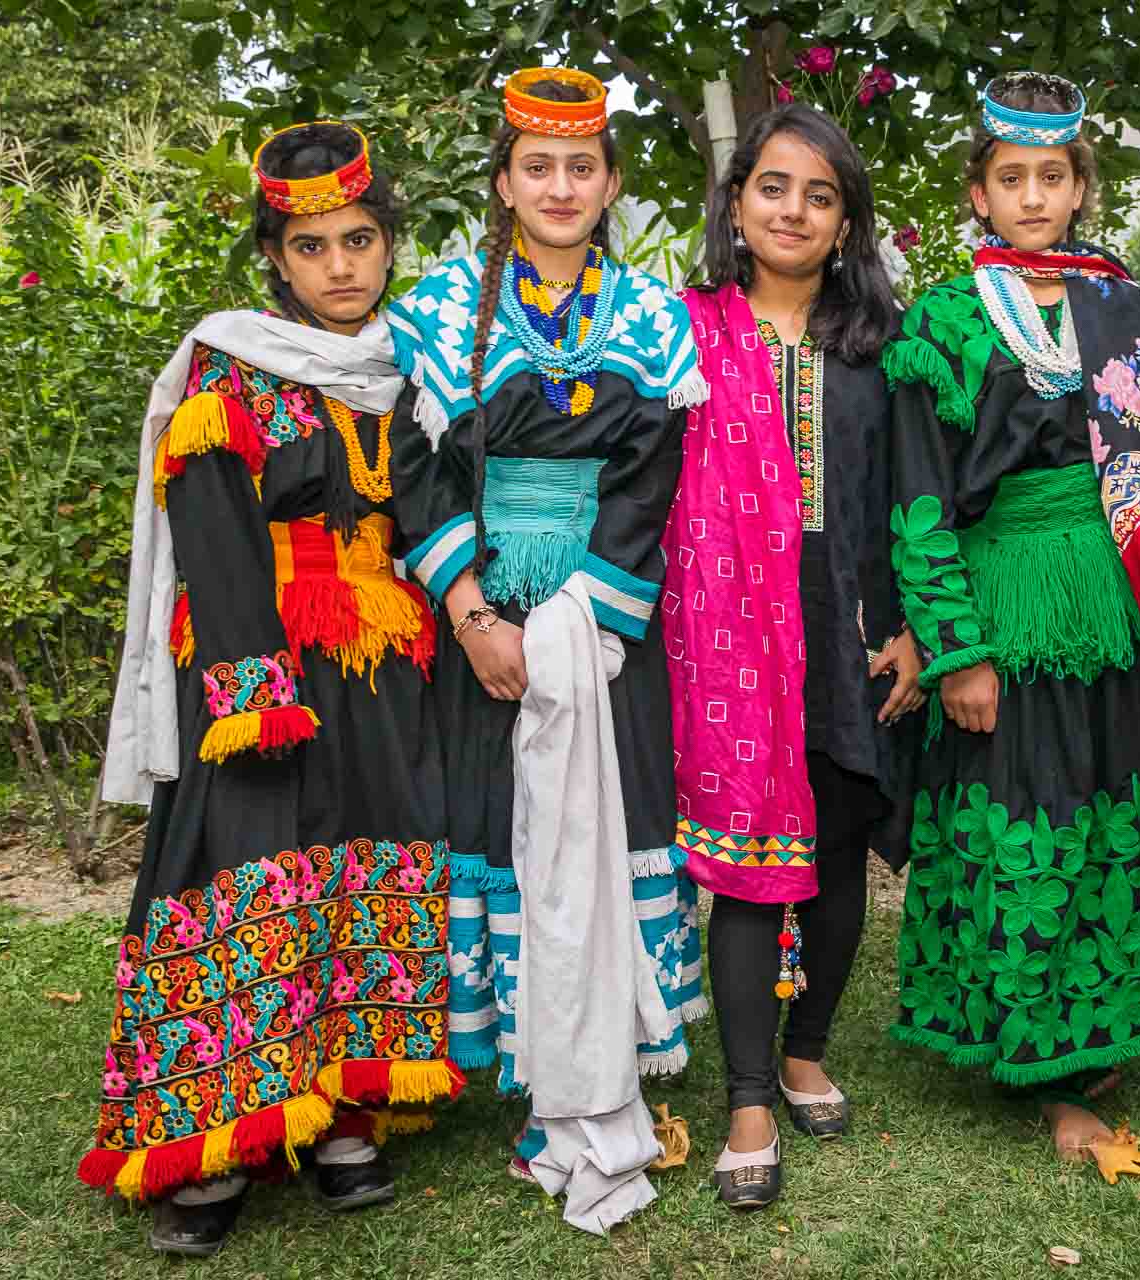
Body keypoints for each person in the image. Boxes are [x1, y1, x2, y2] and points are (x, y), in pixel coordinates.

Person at [87, 122, 459, 1255]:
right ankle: (216, 1146)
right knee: (243, 873)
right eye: (312, 247)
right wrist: (249, 683)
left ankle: (346, 1111)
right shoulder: (228, 362)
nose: (341, 265)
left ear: (388, 243)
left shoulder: (409, 364)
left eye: (360, 239)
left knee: (365, 865)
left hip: (384, 660)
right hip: (263, 664)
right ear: (276, 258)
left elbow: (435, 507)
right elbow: (210, 528)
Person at [384, 67, 708, 1236]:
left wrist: (579, 623)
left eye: (582, 167)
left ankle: (605, 1058)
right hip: (482, 622)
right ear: (506, 181)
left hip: (605, 624)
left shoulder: (652, 317)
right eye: (538, 166)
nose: (561, 186)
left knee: (612, 826)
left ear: (610, 181)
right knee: (502, 829)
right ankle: (531, 1075)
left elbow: (649, 479)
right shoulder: (437, 307)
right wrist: (474, 616)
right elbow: (415, 471)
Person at [882, 72, 1140, 1160]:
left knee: (1104, 808)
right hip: (1006, 605)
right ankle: (1042, 1050)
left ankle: (1101, 1025)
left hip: (1113, 606)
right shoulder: (941, 319)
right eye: (1011, 178)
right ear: (979, 195)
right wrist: (957, 651)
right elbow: (917, 498)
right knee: (1023, 814)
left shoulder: (1126, 310)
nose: (1034, 195)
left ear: (1081, 188)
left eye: (1054, 177)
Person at [665, 103, 923, 1210]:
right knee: (748, 865)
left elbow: (911, 497)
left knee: (841, 838)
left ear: (847, 222)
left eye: (822, 196)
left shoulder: (877, 348)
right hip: (730, 633)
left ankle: (809, 1046)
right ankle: (750, 1096)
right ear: (736, 202)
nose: (794, 210)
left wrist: (915, 627)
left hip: (849, 625)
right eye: (774, 186)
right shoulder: (683, 331)